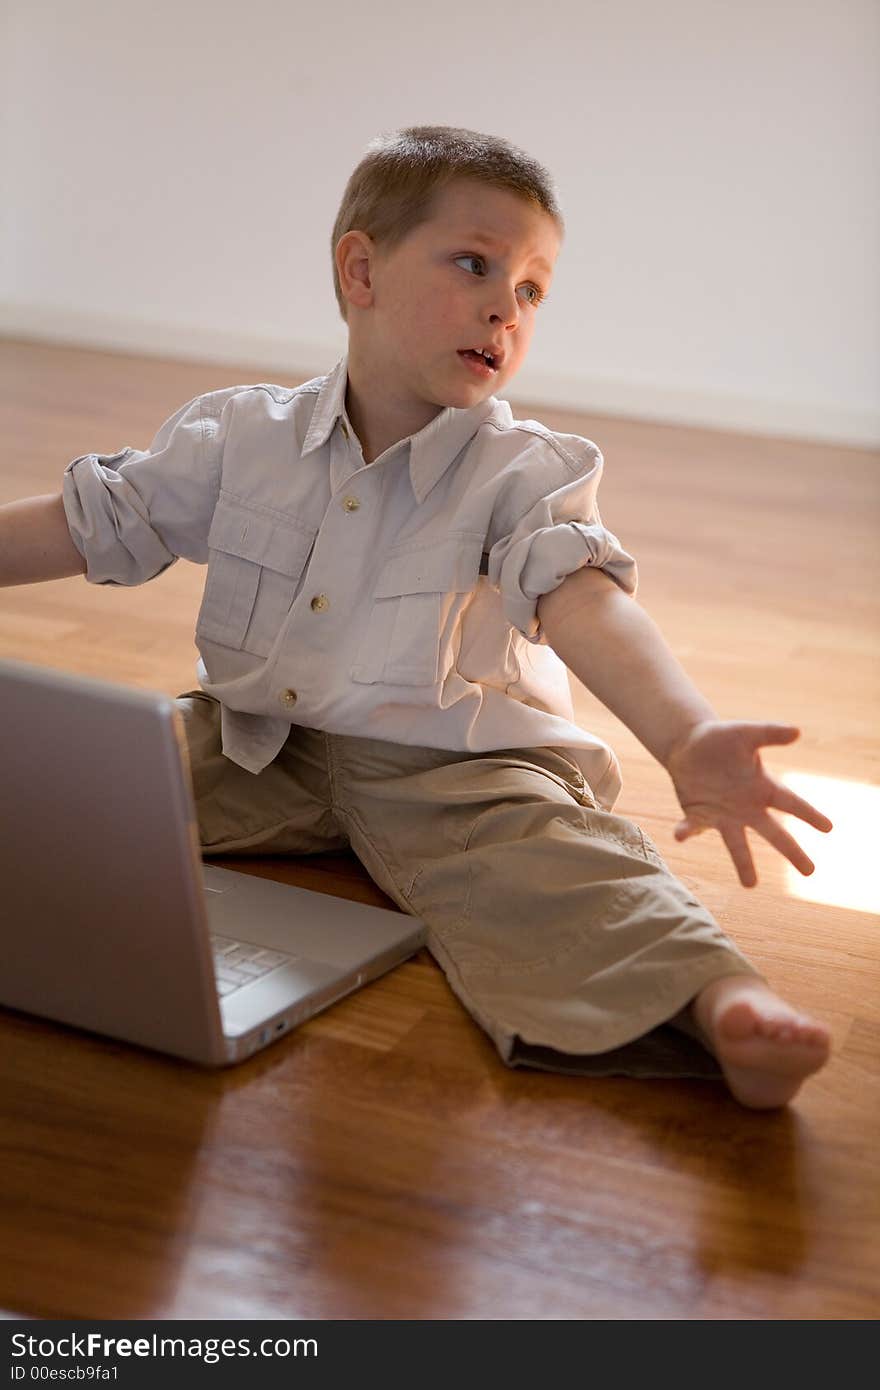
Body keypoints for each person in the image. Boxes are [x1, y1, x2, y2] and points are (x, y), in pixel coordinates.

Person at [0, 124, 834, 1108]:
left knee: (561, 867)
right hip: (262, 738)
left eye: (531, 290)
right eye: (475, 265)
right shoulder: (242, 436)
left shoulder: (524, 472)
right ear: (361, 269)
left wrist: (684, 734)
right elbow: (93, 522)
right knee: (84, 781)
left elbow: (584, 602)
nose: (504, 308)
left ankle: (719, 1005)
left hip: (460, 767)